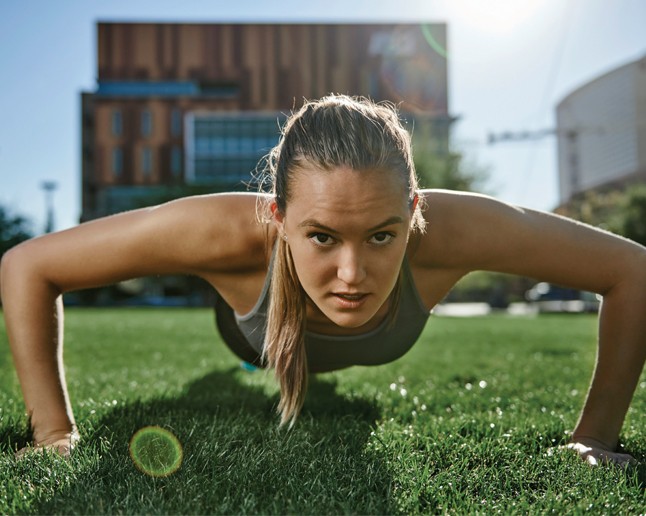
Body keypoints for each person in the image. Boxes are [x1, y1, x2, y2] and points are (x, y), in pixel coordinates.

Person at [1, 95, 644, 467]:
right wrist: (54, 436)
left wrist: (595, 438)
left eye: (382, 235)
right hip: (247, 336)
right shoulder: (224, 231)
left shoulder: (456, 229)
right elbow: (29, 265)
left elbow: (631, 271)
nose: (352, 275)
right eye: (322, 237)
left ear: (415, 209)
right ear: (279, 217)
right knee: (246, 366)